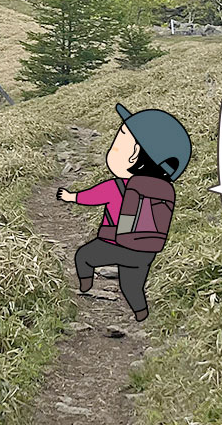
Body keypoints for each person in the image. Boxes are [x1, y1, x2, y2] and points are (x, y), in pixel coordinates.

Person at [57, 103, 191, 323]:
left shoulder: (116, 186)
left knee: (83, 257)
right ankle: (141, 314)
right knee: (131, 285)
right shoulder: (164, 188)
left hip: (116, 244)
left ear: (134, 155)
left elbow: (90, 197)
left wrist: (70, 197)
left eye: (120, 141)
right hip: (147, 249)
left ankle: (85, 286)